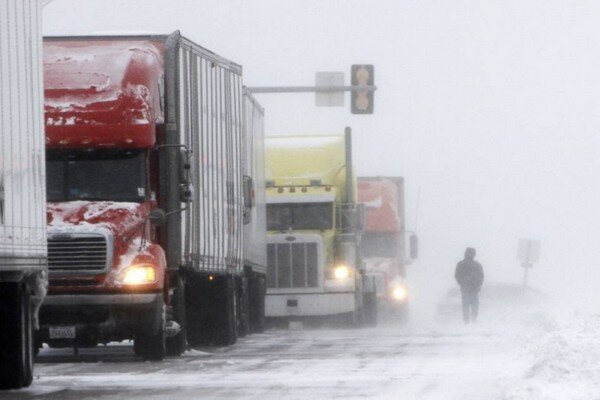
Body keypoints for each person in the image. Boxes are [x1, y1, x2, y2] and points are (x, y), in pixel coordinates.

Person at [454, 247, 484, 324]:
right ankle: (474, 319)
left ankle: (466, 321)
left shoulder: (460, 264)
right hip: (474, 288)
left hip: (465, 288)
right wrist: (478, 285)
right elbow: (481, 276)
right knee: (474, 304)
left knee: (465, 305)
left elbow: (457, 276)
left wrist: (462, 284)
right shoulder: (477, 265)